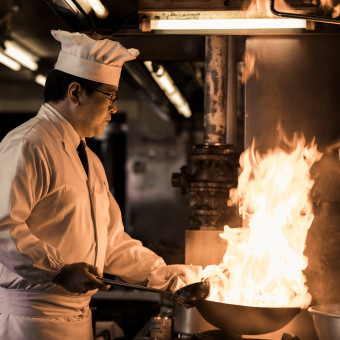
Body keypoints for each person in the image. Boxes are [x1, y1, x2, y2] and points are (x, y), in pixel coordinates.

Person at [0, 30, 202, 340]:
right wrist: (59, 270)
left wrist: (163, 275)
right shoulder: (29, 145)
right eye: (110, 96)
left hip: (79, 319)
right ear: (75, 92)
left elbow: (111, 242)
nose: (114, 109)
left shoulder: (89, 159)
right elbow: (4, 228)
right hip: (33, 321)